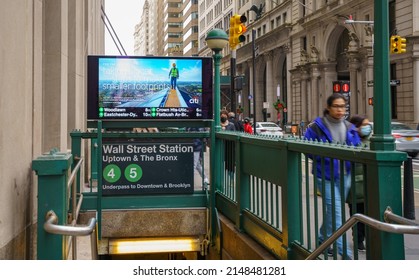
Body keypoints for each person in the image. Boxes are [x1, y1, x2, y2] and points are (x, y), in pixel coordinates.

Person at [304, 93, 361, 259]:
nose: (340, 110)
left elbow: (356, 146)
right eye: (336, 106)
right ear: (328, 108)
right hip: (325, 176)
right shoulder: (317, 127)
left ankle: (323, 238)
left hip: (345, 176)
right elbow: (307, 147)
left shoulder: (349, 127)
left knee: (333, 211)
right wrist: (326, 157)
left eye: (343, 106)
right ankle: (346, 253)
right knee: (337, 212)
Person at [348, 114, 372, 252]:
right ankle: (358, 241)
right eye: (364, 125)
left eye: (368, 125)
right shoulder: (350, 142)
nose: (367, 127)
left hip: (369, 186)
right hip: (355, 188)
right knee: (357, 216)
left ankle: (367, 240)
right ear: (356, 127)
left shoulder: (371, 142)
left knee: (369, 215)